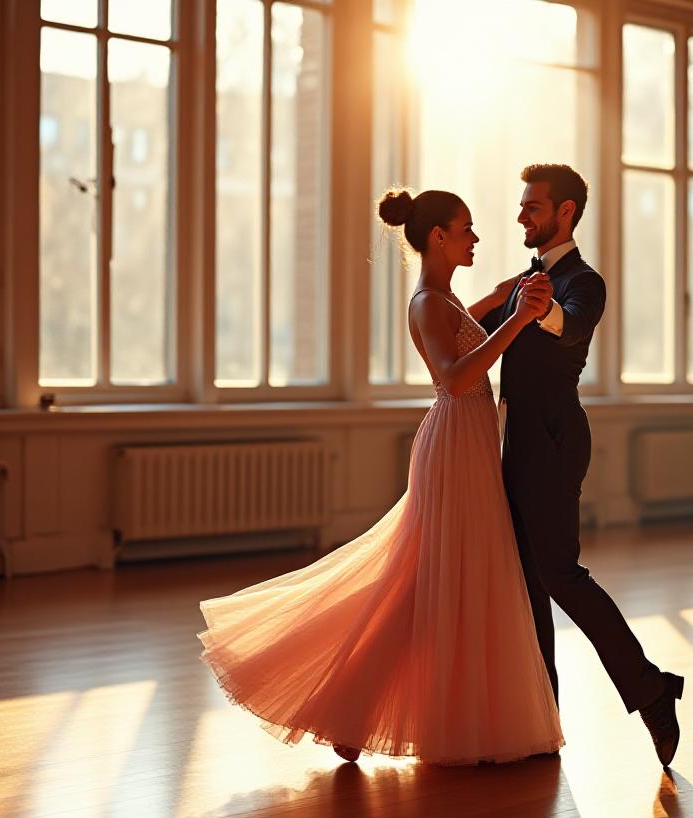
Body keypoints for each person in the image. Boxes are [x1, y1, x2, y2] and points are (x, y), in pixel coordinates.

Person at [197, 188, 563, 765]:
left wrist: (510, 295)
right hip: (453, 448)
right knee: (418, 583)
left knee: (430, 584)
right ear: (437, 237)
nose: (475, 238)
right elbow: (457, 378)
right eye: (466, 229)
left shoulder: (447, 299)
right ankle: (347, 707)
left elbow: (478, 316)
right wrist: (518, 318)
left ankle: (358, 712)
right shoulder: (426, 303)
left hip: (469, 446)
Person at [478, 163, 686, 772]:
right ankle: (543, 720)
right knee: (528, 585)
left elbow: (569, 329)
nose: (521, 215)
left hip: (554, 439)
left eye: (533, 207)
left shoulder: (582, 282)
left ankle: (650, 691)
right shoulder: (525, 279)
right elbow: (472, 339)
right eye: (522, 205)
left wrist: (533, 307)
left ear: (565, 212)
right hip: (514, 442)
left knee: (560, 575)